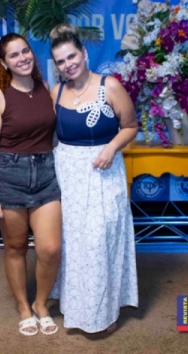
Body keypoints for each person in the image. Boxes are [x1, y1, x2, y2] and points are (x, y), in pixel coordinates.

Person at [49, 24, 139, 334]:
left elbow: (130, 126)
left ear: (84, 53)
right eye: (61, 61)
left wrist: (111, 148)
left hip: (103, 174)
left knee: (101, 241)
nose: (68, 64)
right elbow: (51, 137)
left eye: (72, 56)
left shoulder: (109, 86)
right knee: (74, 243)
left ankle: (105, 311)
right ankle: (75, 306)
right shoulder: (56, 92)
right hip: (68, 178)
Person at [0, 33, 62, 336]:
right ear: (4, 63)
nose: (22, 58)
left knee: (50, 248)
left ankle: (41, 303)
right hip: (9, 177)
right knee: (15, 247)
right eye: (14, 55)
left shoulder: (46, 89)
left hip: (46, 175)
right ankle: (23, 307)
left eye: (25, 51)